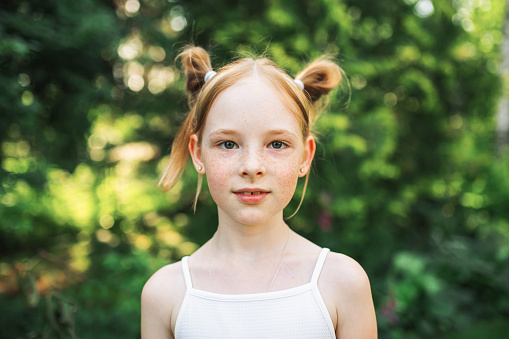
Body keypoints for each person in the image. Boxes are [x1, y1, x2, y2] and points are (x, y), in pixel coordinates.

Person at [141, 45, 377, 338]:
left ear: (305, 157)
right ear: (198, 154)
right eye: (228, 144)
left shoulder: (342, 283)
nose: (252, 166)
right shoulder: (165, 294)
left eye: (277, 144)